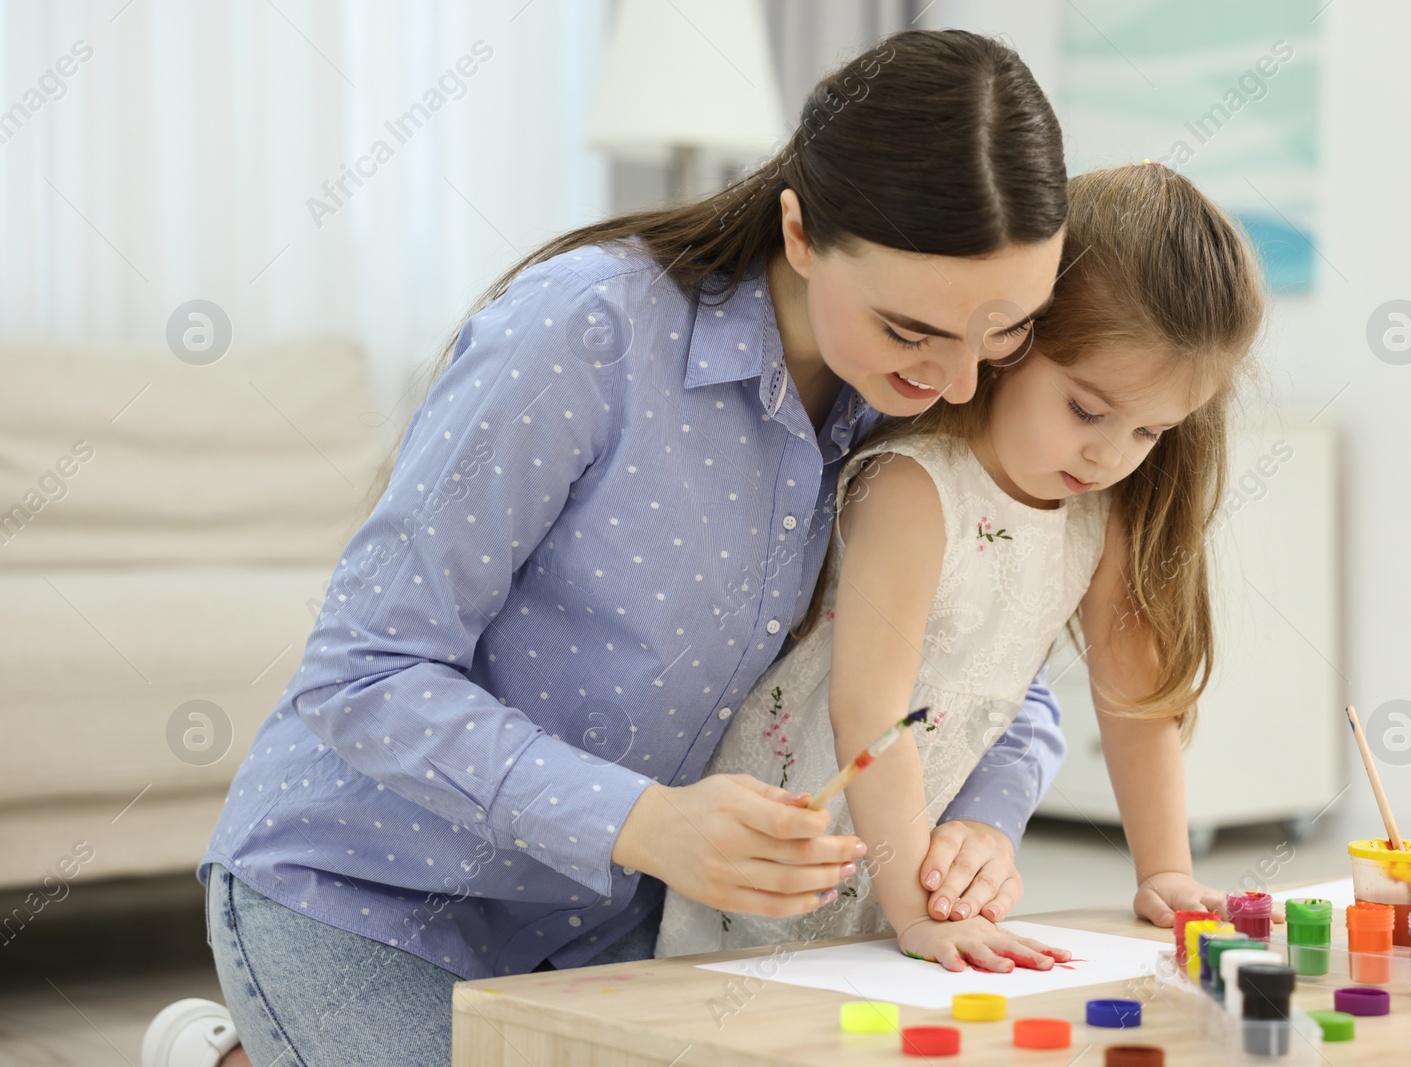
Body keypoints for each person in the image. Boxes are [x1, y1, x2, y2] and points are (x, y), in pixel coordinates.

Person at [142, 29, 1076, 1067]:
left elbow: (990, 657)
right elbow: (362, 670)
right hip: (365, 891)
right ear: (802, 232)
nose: (955, 386)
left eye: (1002, 335)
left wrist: (981, 826)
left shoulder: (912, 409)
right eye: (910, 332)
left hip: (619, 925)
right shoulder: (586, 328)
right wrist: (642, 820)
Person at [655, 163, 1267, 970]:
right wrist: (918, 914)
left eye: (1150, 432)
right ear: (1012, 338)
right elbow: (870, 712)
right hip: (787, 849)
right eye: (1088, 409)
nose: (1110, 454)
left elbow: (1132, 695)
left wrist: (1167, 871)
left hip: (908, 865)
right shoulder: (915, 487)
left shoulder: (1096, 507)